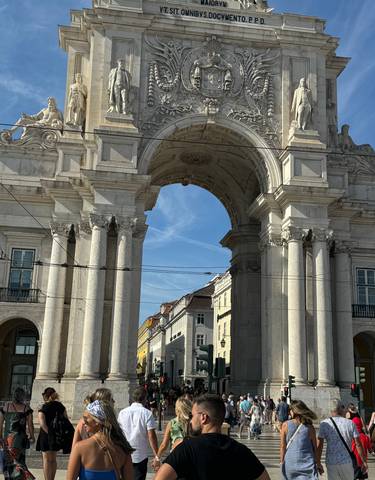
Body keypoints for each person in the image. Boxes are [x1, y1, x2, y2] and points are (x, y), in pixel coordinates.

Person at [154, 394, 270, 480]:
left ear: (203, 417)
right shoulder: (240, 450)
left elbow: (160, 478)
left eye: (192, 415)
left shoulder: (186, 448)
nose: (190, 420)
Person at [66, 400, 134, 480]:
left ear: (97, 422)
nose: (83, 422)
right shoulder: (123, 448)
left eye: (85, 419)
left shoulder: (80, 448)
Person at [317, 399, 368, 480]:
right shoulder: (350, 423)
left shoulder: (324, 424)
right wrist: (364, 462)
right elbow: (358, 444)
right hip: (346, 461)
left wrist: (318, 462)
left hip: (331, 462)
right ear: (341, 409)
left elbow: (319, 445)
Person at [118, 386, 159, 480]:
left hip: (124, 453)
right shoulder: (147, 413)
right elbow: (151, 435)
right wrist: (157, 455)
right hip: (140, 455)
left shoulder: (122, 413)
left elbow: (119, 433)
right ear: (145, 398)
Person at [36, 387, 73, 480]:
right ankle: (52, 478)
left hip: (46, 436)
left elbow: (42, 423)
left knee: (46, 459)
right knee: (53, 459)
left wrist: (50, 434)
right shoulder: (60, 406)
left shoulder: (44, 407)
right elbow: (66, 420)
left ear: (46, 396)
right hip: (57, 436)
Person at [280, 400, 322, 480]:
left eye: (290, 410)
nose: (289, 412)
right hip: (307, 464)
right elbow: (315, 448)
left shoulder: (285, 425)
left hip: (290, 463)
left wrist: (282, 462)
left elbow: (282, 446)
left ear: (294, 411)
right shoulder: (310, 428)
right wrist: (318, 463)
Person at [0, 387, 35, 480]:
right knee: (20, 461)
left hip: (8, 439)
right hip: (20, 439)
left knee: (9, 461)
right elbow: (30, 425)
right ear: (23, 396)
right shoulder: (26, 408)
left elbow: (0, 423)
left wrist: (0, 437)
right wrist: (32, 436)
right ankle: (25, 477)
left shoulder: (6, 407)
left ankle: (10, 478)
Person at [154, 397, 192, 466]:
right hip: (191, 457)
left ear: (177, 409)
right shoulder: (194, 422)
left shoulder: (172, 423)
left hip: (176, 456)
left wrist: (157, 458)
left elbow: (164, 445)